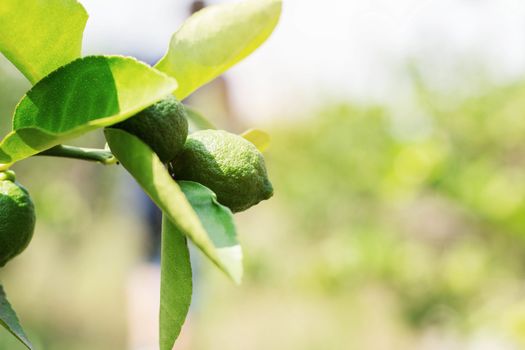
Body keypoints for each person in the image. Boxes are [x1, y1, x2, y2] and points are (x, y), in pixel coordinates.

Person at [126, 1, 239, 349]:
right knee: (177, 267)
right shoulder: (214, 64)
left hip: (145, 172)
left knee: (149, 262)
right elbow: (233, 120)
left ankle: (146, 341)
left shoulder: (167, 56)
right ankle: (165, 342)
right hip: (171, 175)